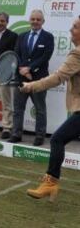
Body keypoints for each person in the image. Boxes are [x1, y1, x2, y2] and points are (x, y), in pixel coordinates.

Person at [20, 16, 80, 202]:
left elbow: (57, 78)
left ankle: (51, 182)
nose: (71, 29)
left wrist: (31, 86)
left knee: (57, 139)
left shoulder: (77, 54)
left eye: (75, 27)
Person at [8, 9, 54, 146]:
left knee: (40, 109)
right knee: (18, 108)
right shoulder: (21, 36)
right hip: (21, 78)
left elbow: (46, 56)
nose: (35, 22)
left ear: (43, 21)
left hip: (39, 80)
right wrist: (23, 70)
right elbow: (16, 54)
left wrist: (30, 68)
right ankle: (16, 134)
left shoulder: (48, 37)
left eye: (38, 19)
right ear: (29, 20)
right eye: (33, 19)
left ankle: (40, 136)